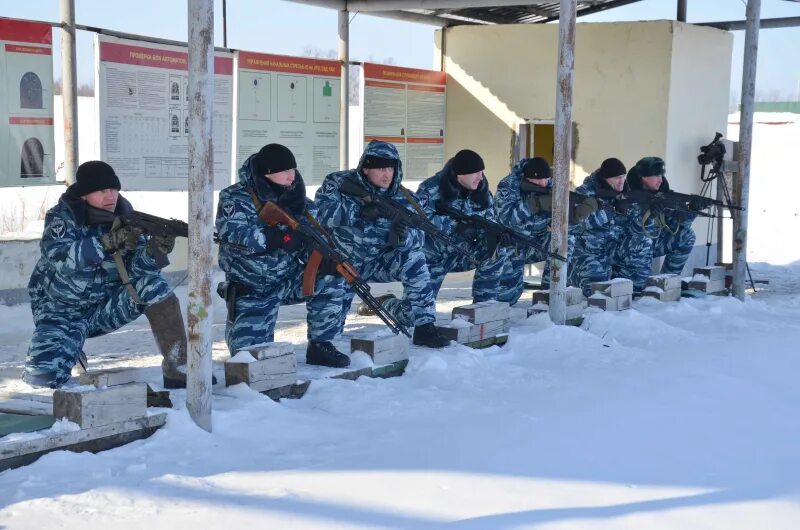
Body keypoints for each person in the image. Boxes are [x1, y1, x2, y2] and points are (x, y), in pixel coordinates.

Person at [24, 161, 187, 388]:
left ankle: (179, 369)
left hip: (103, 309)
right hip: (61, 314)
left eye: (113, 190)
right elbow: (62, 259)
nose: (110, 196)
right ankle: (69, 346)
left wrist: (154, 251)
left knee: (153, 284)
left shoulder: (125, 219)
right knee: (42, 379)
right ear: (84, 195)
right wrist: (107, 243)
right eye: (102, 191)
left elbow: (135, 271)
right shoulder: (62, 218)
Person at [215, 143, 350, 368]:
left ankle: (321, 344)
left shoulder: (299, 200)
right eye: (285, 171)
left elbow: (316, 234)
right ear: (267, 173)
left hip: (288, 280)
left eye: (293, 170)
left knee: (333, 276)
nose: (292, 176)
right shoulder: (235, 198)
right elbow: (233, 235)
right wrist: (277, 237)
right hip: (253, 287)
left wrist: (322, 258)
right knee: (249, 360)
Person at [314, 140, 449, 348]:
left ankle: (425, 327)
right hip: (343, 265)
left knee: (415, 258)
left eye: (391, 168)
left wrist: (402, 236)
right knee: (332, 331)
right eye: (380, 168)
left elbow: (422, 239)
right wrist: (358, 212)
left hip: (379, 263)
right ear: (366, 169)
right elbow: (321, 213)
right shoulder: (338, 183)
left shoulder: (406, 199)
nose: (387, 174)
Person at [386, 149, 509, 314]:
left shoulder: (483, 193)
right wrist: (455, 226)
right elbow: (420, 221)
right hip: (432, 258)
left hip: (461, 254)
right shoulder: (431, 189)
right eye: (475, 173)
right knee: (413, 316)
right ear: (460, 174)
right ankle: (387, 303)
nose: (481, 177)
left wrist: (497, 235)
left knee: (497, 250)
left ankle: (484, 308)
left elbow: (490, 220)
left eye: (481, 172)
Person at [494, 157, 593, 304]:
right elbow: (504, 218)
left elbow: (563, 220)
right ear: (528, 177)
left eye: (547, 179)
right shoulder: (509, 186)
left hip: (538, 242)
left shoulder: (549, 185)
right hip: (512, 245)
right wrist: (535, 204)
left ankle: (552, 289)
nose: (544, 184)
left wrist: (576, 214)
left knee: (567, 239)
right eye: (539, 180)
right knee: (508, 298)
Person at [569, 157, 656, 295]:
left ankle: (635, 292)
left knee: (643, 241)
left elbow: (634, 230)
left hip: (615, 249)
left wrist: (648, 215)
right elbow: (575, 225)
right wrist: (610, 211)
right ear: (605, 179)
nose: (622, 181)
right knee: (598, 295)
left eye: (623, 176)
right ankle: (576, 278)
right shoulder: (585, 193)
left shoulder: (627, 193)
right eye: (616, 178)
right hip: (589, 252)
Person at [626, 156, 697, 275]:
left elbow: (678, 225)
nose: (661, 180)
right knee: (643, 240)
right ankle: (638, 283)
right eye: (657, 176)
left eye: (661, 175)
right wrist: (649, 216)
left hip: (654, 243)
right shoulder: (628, 196)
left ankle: (667, 280)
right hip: (629, 249)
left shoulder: (663, 195)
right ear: (643, 177)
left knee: (687, 235)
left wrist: (691, 210)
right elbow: (631, 232)